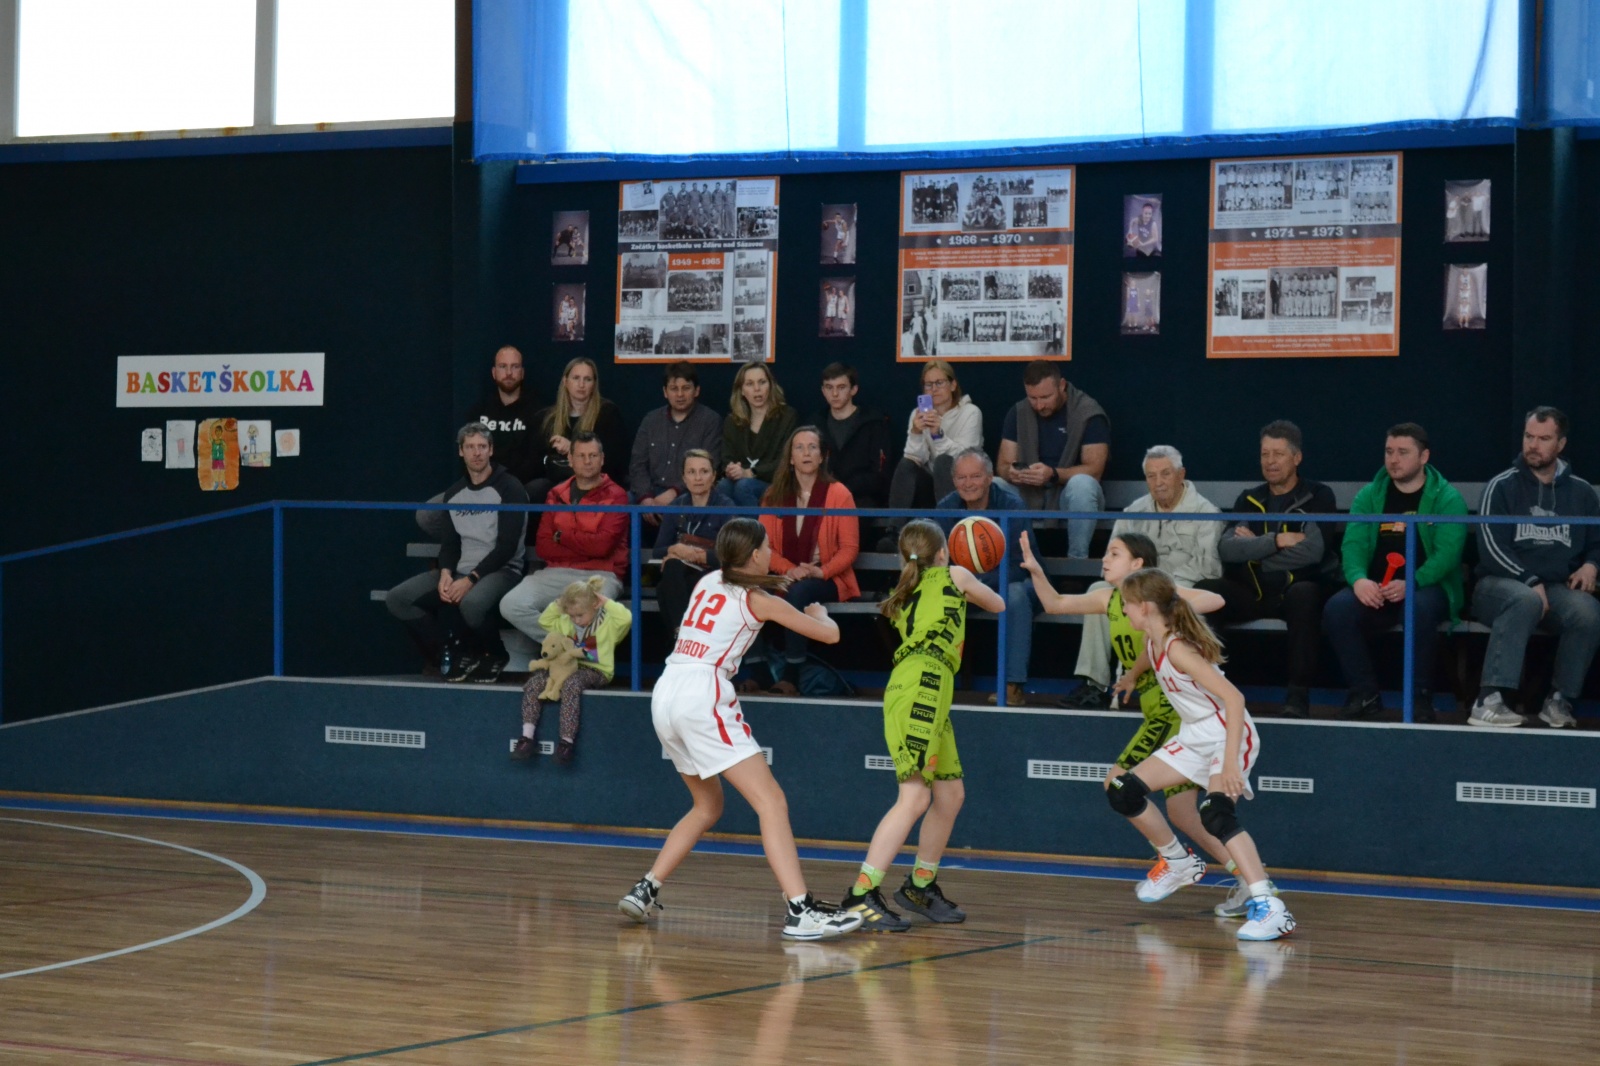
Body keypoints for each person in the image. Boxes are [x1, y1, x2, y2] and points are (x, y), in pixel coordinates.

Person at [617, 519, 863, 941]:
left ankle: (646, 888)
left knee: (707, 806)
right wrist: (819, 613)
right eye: (767, 547)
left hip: (667, 690)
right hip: (702, 694)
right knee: (771, 802)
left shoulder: (708, 581)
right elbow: (829, 636)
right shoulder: (757, 599)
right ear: (753, 555)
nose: (770, 552)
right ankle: (800, 910)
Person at [1019, 531, 1271, 917]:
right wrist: (1132, 675)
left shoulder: (1165, 625)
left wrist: (1171, 595)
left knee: (1141, 791)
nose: (1105, 559)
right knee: (1180, 812)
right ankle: (1239, 879)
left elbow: (1215, 603)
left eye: (1114, 553)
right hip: (1175, 716)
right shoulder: (1127, 613)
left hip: (1181, 716)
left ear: (1138, 566)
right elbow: (1056, 604)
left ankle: (1231, 880)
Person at [1100, 566, 1296, 941]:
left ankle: (1270, 906)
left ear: (1145, 608)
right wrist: (1130, 676)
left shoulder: (1179, 649)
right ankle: (1178, 861)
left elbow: (1234, 699)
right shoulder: (1154, 641)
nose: (1123, 610)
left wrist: (1229, 763)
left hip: (1226, 733)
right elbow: (1146, 659)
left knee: (1215, 813)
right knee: (1122, 790)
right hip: (1194, 734)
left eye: (1127, 604)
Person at [841, 520, 1006, 932]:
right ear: (943, 553)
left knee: (950, 795)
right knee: (914, 797)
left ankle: (919, 885)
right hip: (922, 687)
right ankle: (861, 894)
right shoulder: (956, 575)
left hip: (926, 687)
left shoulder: (904, 592)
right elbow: (999, 604)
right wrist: (972, 563)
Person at [1325, 424, 1467, 723]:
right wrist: (1359, 580)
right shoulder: (1369, 495)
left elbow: (1448, 555)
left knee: (1418, 608)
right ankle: (1364, 693)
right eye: (1389, 451)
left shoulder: (1447, 498)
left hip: (1425, 587)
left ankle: (1419, 697)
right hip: (1377, 587)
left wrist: (1412, 582)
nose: (1393, 459)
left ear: (1424, 457)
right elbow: (1353, 545)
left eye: (1403, 452)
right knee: (1338, 609)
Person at [1063, 446, 1223, 709]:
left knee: (1178, 604)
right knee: (1097, 589)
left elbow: (1209, 569)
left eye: (1165, 474)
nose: (1158, 482)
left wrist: (1157, 584)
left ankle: (1174, 686)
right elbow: (1110, 560)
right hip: (1133, 589)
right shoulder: (1133, 512)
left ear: (1181, 474)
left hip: (1175, 588)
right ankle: (1094, 685)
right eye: (1151, 476)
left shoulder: (1207, 513)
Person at [1197, 421, 1337, 719]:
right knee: (1207, 590)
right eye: (1264, 454)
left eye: (1278, 454)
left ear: (1296, 458)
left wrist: (1255, 549)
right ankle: (1211, 691)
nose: (1270, 461)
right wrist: (1277, 541)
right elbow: (1228, 549)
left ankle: (1297, 696)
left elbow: (1312, 552)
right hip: (1252, 590)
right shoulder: (1249, 498)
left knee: (1305, 594)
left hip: (1293, 590)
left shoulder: (1318, 496)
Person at [1471, 407, 1600, 728]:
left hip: (1555, 588)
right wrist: (1528, 580)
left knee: (1587, 611)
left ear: (1561, 444)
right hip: (1497, 586)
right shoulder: (1501, 486)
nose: (1533, 445)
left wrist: (1592, 565)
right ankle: (1488, 700)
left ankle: (1560, 700)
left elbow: (1597, 541)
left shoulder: (1582, 492)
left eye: (1543, 439)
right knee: (1524, 599)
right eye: (1529, 437)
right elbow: (1490, 548)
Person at [387, 423, 527, 682]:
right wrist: (445, 573)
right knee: (398, 599)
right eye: (470, 447)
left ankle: (495, 654)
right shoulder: (454, 494)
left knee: (471, 603)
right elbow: (450, 544)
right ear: (461, 451)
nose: (477, 453)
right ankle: (451, 653)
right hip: (461, 569)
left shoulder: (510, 488)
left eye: (482, 447)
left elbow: (507, 546)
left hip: (502, 570)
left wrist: (470, 579)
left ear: (491, 450)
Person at [758, 428, 861, 693]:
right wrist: (790, 569)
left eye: (812, 447)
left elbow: (849, 549)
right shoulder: (773, 495)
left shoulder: (839, 494)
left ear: (822, 456)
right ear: (790, 457)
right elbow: (764, 546)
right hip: (784, 574)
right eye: (799, 447)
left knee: (799, 591)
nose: (806, 453)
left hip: (826, 577)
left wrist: (820, 572)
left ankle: (791, 674)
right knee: (746, 588)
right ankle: (757, 671)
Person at [500, 433, 629, 644]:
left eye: (593, 455)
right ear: (570, 459)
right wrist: (585, 543)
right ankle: (565, 644)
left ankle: (577, 653)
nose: (587, 461)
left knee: (592, 612)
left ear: (602, 459)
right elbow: (544, 546)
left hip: (600, 574)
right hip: (556, 572)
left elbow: (602, 547)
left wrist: (562, 537)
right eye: (581, 456)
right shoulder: (556, 493)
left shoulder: (617, 495)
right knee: (511, 604)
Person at [935, 448, 1037, 705]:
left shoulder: (1012, 506)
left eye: (975, 476)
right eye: (961, 478)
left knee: (1015, 595)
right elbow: (938, 561)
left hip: (1010, 583)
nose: (968, 484)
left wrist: (978, 584)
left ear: (990, 478)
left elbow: (1021, 564)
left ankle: (1012, 686)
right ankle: (931, 679)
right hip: (966, 587)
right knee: (932, 592)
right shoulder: (946, 508)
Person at [511, 576, 632, 764]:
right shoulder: (565, 621)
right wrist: (559, 604)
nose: (576, 620)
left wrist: (606, 602)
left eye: (580, 615)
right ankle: (527, 736)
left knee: (571, 684)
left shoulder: (609, 624)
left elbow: (626, 618)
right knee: (534, 683)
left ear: (595, 605)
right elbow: (544, 620)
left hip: (596, 670)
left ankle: (566, 742)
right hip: (564, 668)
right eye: (572, 615)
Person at [997, 360, 1109, 559]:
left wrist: (1052, 474)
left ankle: (1077, 562)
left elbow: (1095, 470)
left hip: (1068, 495)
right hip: (1028, 492)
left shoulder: (1088, 413)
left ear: (1062, 385)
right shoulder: (1019, 412)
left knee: (1082, 485)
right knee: (993, 484)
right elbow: (1003, 465)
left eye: (1045, 397)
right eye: (1033, 398)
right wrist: (1012, 472)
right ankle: (1004, 561)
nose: (1039, 405)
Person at [883, 359, 983, 543]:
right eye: (928, 384)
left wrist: (938, 435)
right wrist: (916, 433)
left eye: (939, 383)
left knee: (944, 461)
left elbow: (966, 458)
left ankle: (948, 531)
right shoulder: (917, 414)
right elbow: (915, 458)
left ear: (953, 385)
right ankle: (893, 531)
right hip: (929, 486)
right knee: (906, 464)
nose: (934, 389)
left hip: (962, 484)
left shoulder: (971, 412)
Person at [652, 449, 736, 654]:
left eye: (704, 471)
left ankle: (680, 639)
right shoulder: (677, 505)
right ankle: (684, 637)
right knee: (672, 568)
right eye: (691, 472)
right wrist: (675, 549)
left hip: (713, 574)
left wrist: (695, 555)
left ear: (713, 476)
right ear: (684, 477)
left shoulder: (725, 505)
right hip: (683, 576)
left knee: (665, 587)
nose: (698, 478)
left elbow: (731, 554)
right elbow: (658, 551)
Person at [527, 358, 629, 515]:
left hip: (593, 482)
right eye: (576, 378)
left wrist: (572, 448)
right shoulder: (546, 418)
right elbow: (533, 464)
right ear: (565, 381)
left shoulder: (608, 414)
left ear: (594, 384)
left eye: (587, 379)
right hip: (555, 481)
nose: (581, 385)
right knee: (535, 489)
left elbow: (614, 463)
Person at [629, 361, 724, 515]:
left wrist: (674, 492)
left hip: (687, 493)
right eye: (674, 389)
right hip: (651, 493)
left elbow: (711, 465)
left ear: (696, 391)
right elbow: (637, 464)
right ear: (665, 392)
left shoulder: (710, 421)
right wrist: (645, 498)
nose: (680, 394)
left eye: (686, 388)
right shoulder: (651, 420)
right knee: (627, 500)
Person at [806, 363, 890, 508]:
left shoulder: (874, 424)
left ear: (853, 389)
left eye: (841, 387)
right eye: (829, 387)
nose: (834, 394)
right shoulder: (814, 424)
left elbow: (880, 474)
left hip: (862, 500)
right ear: (823, 390)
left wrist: (843, 489)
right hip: (822, 498)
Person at [722, 362, 799, 508]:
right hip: (742, 479)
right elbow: (727, 457)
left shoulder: (787, 417)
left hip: (774, 482)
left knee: (744, 487)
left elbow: (786, 460)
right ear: (742, 390)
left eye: (762, 382)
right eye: (750, 384)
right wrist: (732, 469)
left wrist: (751, 473)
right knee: (724, 486)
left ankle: (758, 524)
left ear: (771, 386)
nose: (757, 389)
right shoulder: (732, 421)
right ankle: (732, 524)